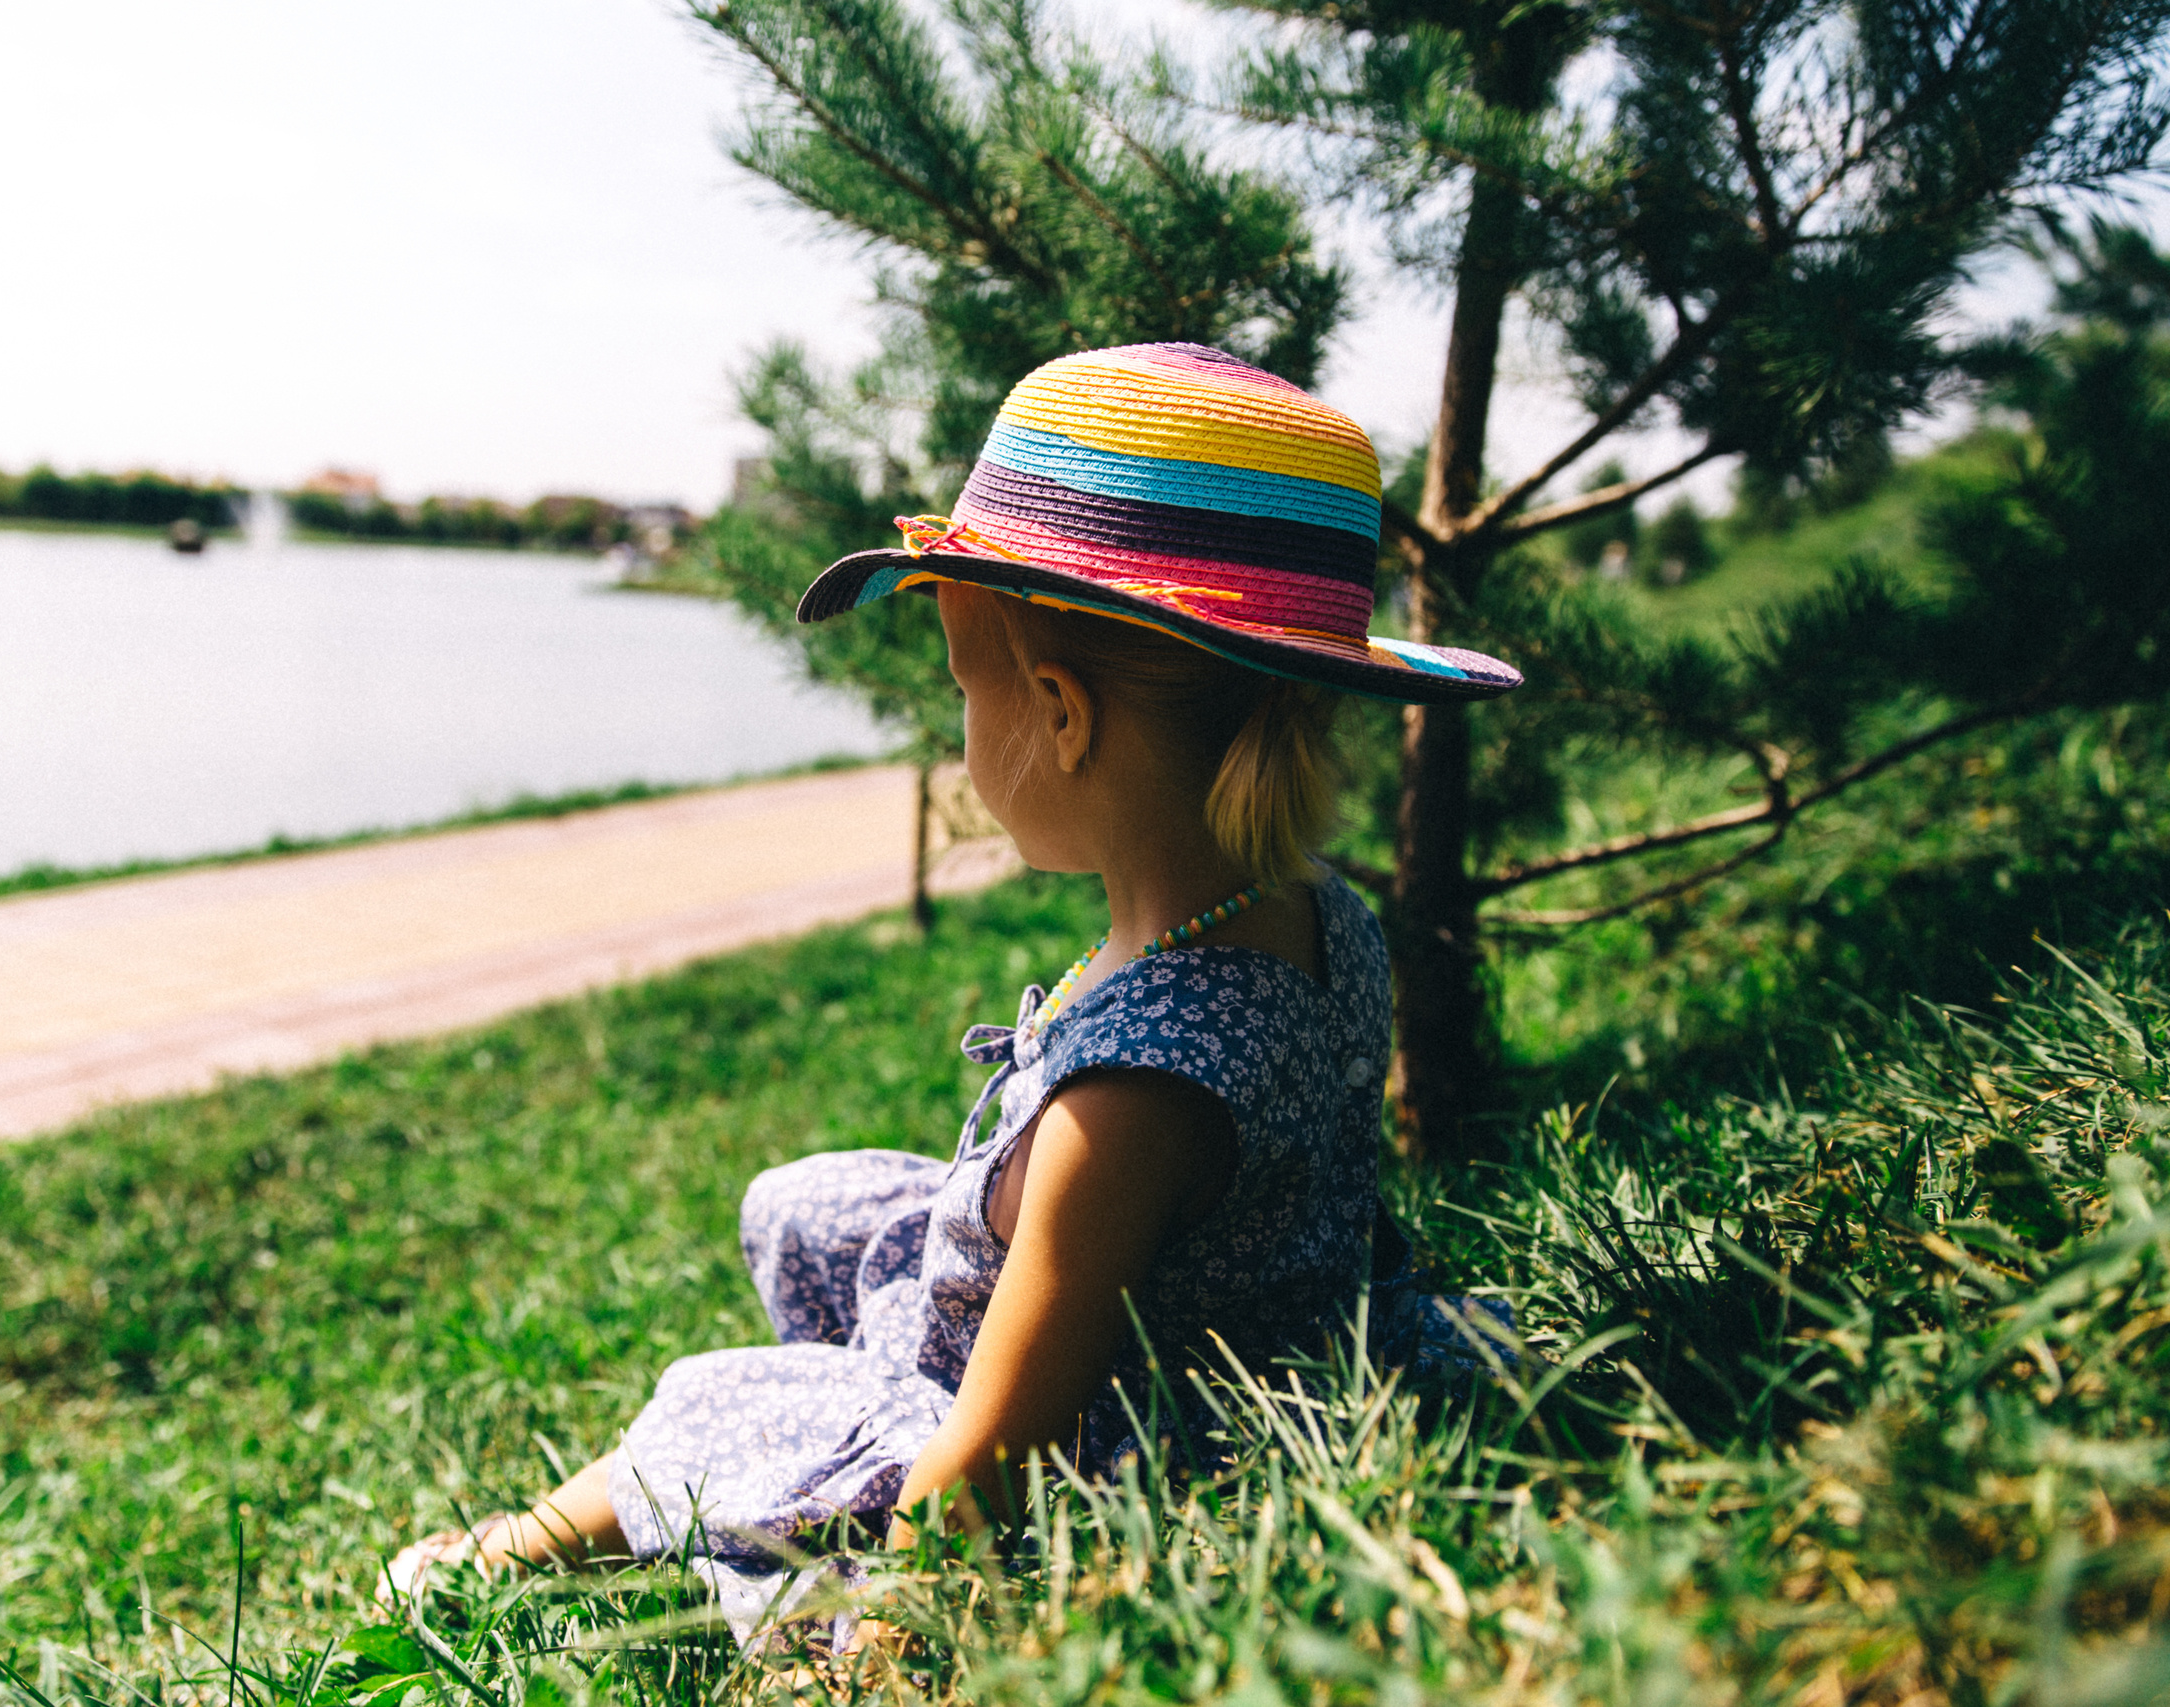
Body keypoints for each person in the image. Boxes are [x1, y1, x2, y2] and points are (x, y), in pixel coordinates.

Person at [383, 342, 1521, 1642]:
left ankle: (514, 1550)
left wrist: (888, 1627)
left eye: (960, 686)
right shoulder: (1326, 919)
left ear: (1058, 713)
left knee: (740, 1406)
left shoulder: (1133, 1097)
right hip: (1250, 1331)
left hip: (1107, 1426)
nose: (958, 727)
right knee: (819, 1207)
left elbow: (994, 1452)